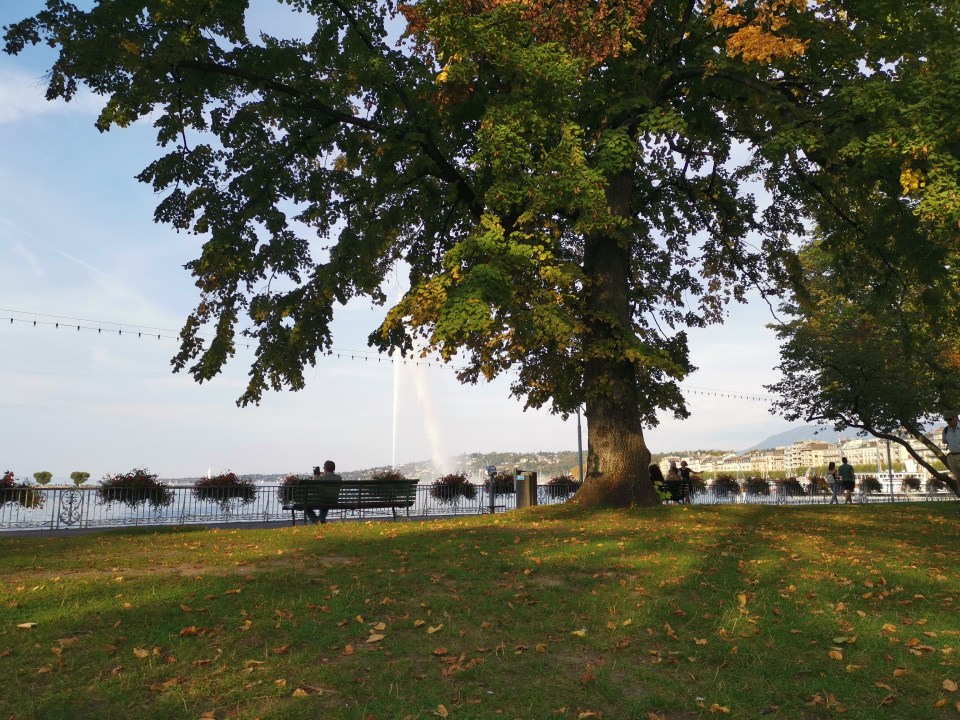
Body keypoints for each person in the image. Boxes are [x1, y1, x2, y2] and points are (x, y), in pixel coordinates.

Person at [305, 460, 342, 525]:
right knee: (325, 504)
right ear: (334, 468)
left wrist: (316, 476)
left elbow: (313, 488)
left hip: (322, 500)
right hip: (333, 500)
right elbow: (329, 478)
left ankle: (317, 521)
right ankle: (321, 520)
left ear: (325, 468)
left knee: (306, 507)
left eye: (324, 467)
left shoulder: (320, 478)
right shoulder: (339, 477)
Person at [942, 411, 960, 486]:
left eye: (949, 419)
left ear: (955, 418)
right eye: (946, 420)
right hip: (952, 458)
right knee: (958, 479)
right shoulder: (945, 430)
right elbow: (944, 441)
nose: (948, 421)